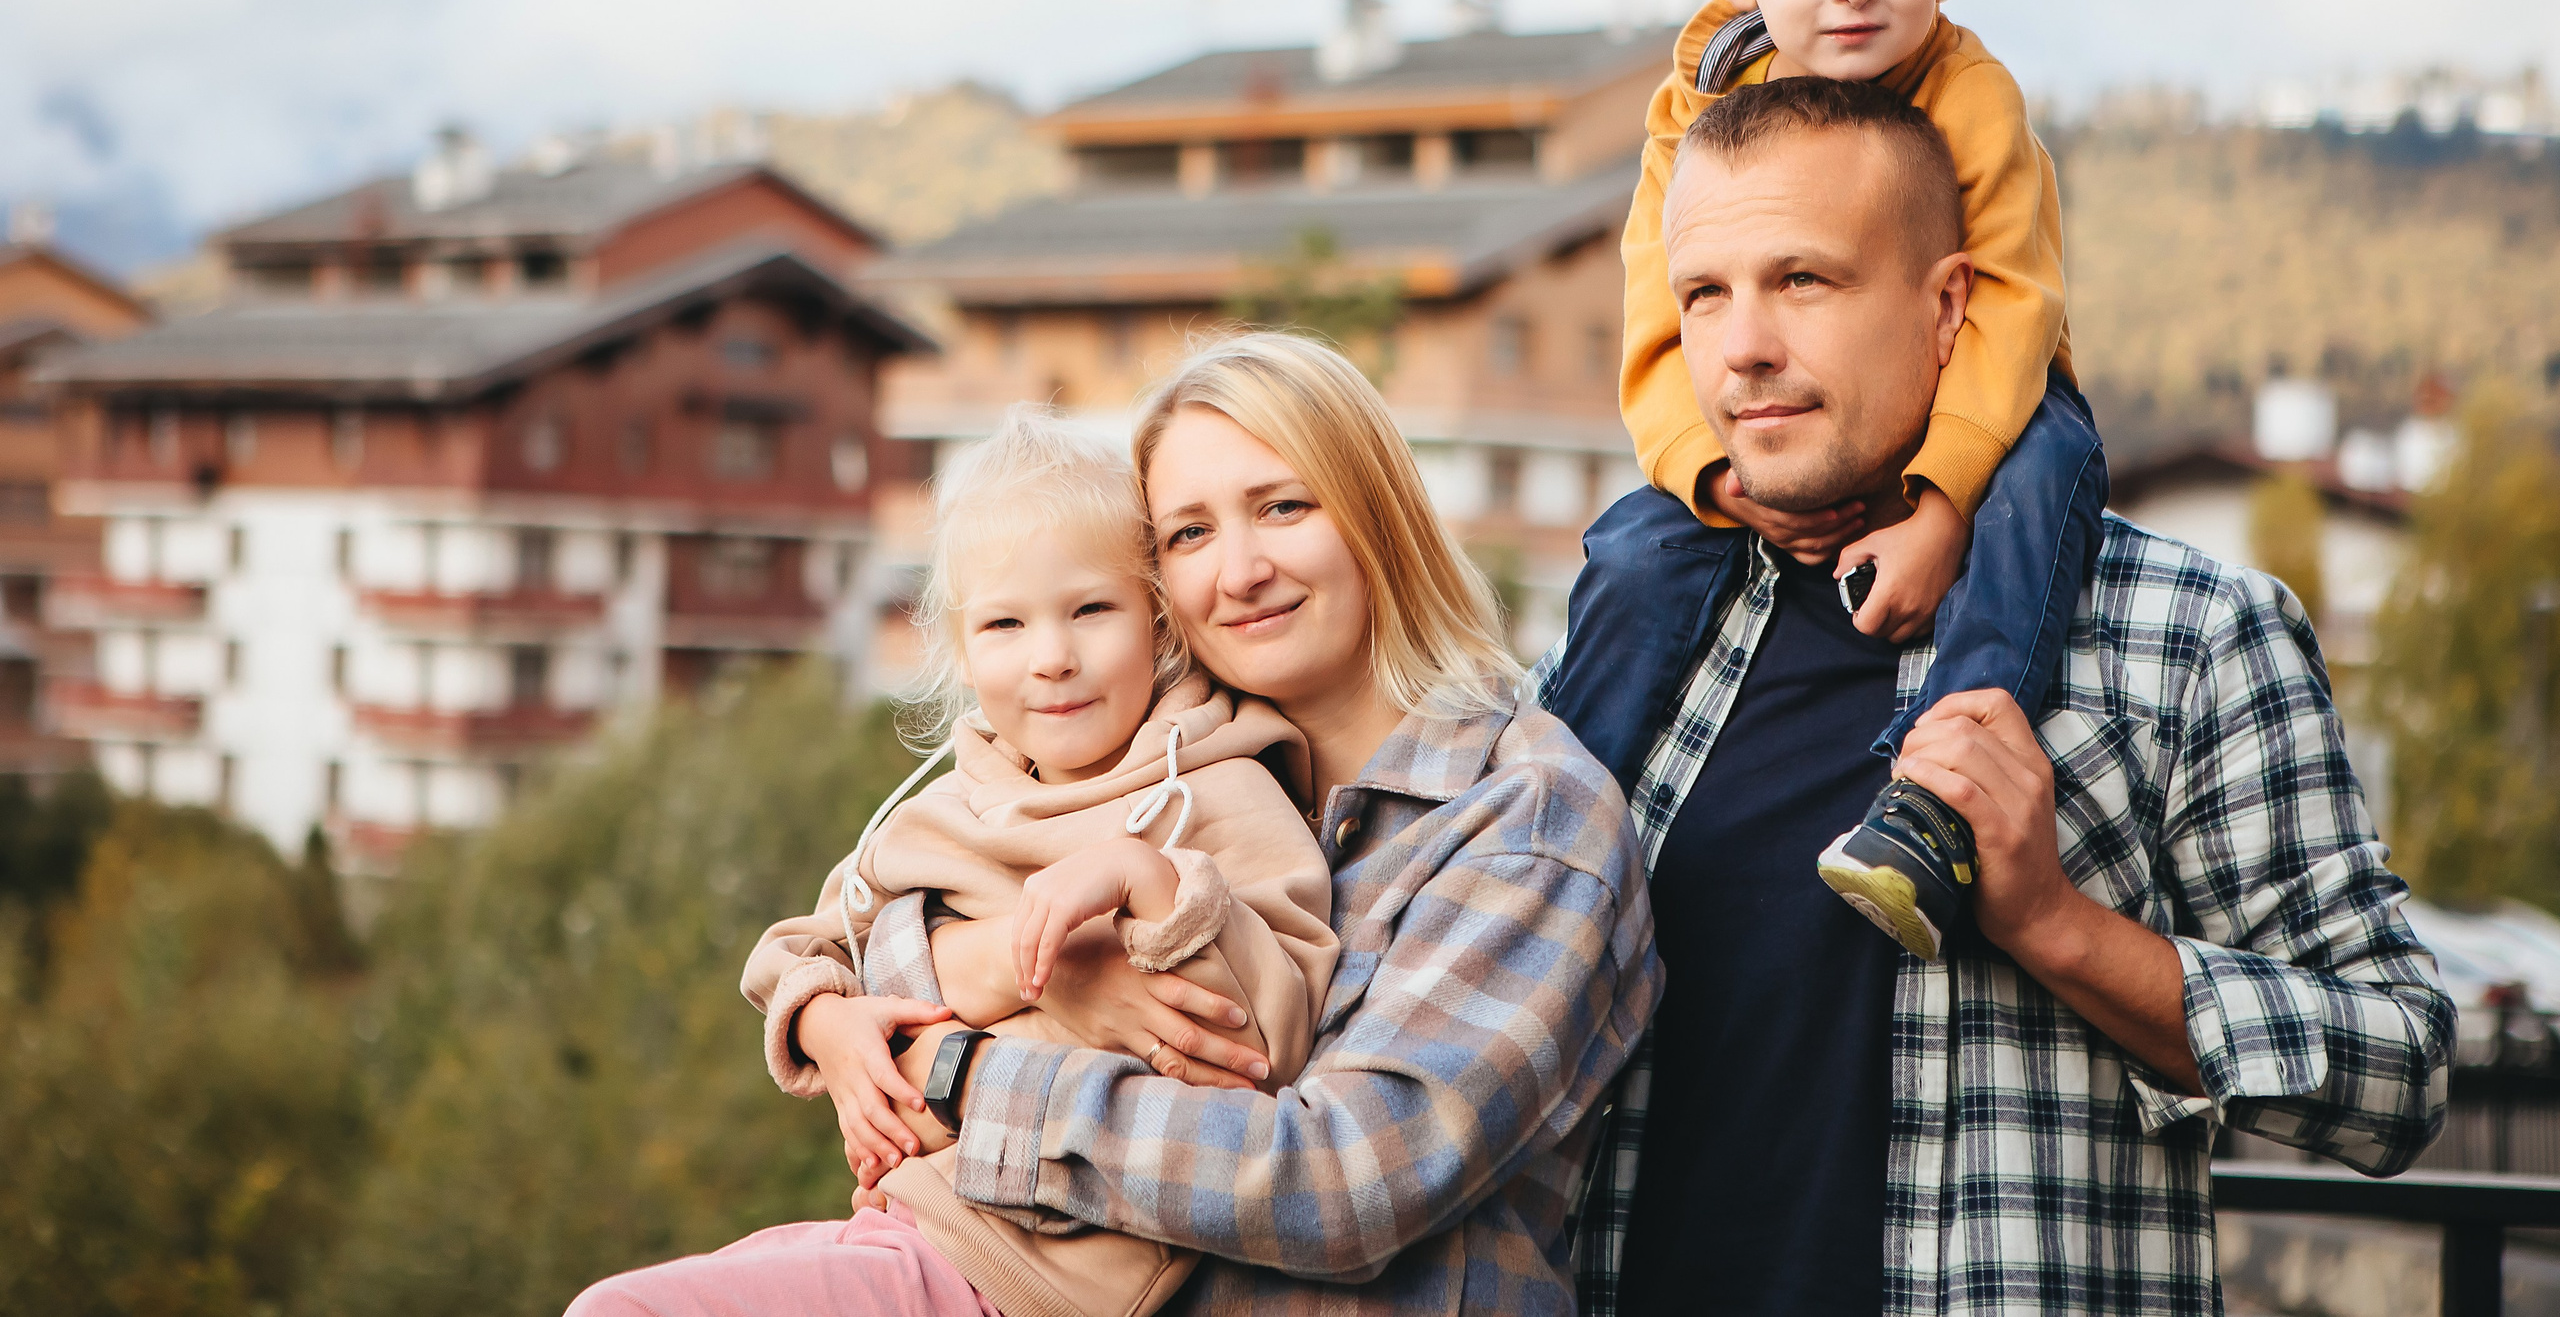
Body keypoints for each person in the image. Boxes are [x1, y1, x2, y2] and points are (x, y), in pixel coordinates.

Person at [1541, 78, 2452, 1316]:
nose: (1742, 345)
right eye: (1705, 292)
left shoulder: (2183, 636)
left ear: (1949, 308)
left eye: (1802, 280)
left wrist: (2057, 927)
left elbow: (2398, 1072)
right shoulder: (1630, 638)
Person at [824, 333, 1658, 1314]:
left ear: (1375, 514)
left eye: (1282, 507)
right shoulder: (1154, 772)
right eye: (1188, 535)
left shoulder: (1524, 816)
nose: (1240, 570)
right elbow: (855, 927)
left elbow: (1345, 1185)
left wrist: (961, 1073)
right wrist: (967, 977)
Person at [571, 409, 1337, 1317]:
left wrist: (1147, 879)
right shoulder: (947, 809)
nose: (1052, 658)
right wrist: (827, 1025)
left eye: (1092, 609)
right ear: (962, 651)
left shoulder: (1221, 790)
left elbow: (1273, 1038)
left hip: (1026, 1278)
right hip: (902, 1228)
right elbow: (805, 944)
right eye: (1005, 623)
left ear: (1160, 623)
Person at [1610, 0, 2105, 797]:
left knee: (2042, 490)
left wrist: (1940, 509)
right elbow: (1660, 303)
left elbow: (2013, 298)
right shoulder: (1695, 110)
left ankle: (1943, 787)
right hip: (1761, 440)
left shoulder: (1972, 97)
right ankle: (1568, 788)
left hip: (1995, 389)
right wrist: (1712, 469)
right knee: (1631, 552)